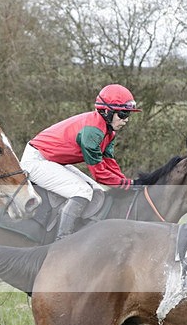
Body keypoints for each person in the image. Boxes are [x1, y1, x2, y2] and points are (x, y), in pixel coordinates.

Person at [20, 84, 142, 239]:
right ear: (106, 111)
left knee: (97, 191)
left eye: (128, 114)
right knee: (82, 191)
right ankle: (62, 239)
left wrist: (126, 182)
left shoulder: (109, 132)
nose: (126, 120)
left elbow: (109, 164)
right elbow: (100, 174)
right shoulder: (92, 132)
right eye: (123, 114)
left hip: (51, 160)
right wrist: (129, 184)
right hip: (36, 160)